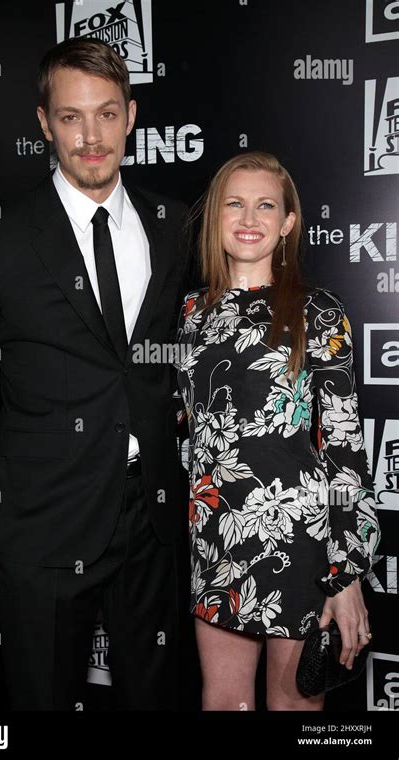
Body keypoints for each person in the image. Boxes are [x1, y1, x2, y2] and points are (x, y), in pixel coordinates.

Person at [0, 38, 187, 710]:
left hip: (152, 527)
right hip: (40, 528)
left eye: (105, 113)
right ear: (44, 123)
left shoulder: (175, 228)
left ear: (131, 116)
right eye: (71, 117)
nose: (91, 136)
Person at [176, 151, 380, 711]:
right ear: (215, 217)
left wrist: (345, 572)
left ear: (288, 222)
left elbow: (342, 444)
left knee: (293, 705)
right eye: (234, 204)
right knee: (223, 702)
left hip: (298, 541)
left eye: (266, 205)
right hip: (215, 536)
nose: (249, 218)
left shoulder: (319, 311)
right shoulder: (192, 312)